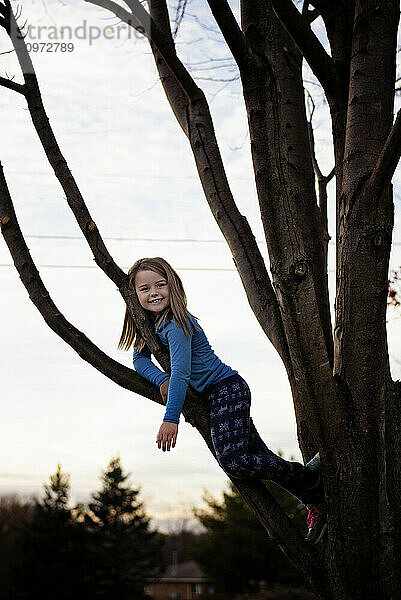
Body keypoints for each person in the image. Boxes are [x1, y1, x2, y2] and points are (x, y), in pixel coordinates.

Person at [118, 257, 326, 543]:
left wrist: (170, 419)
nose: (153, 292)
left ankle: (309, 477)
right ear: (134, 295)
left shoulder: (176, 325)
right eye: (144, 288)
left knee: (235, 462)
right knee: (259, 460)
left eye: (160, 285)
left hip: (227, 390)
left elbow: (181, 374)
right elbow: (139, 359)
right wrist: (160, 379)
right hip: (217, 397)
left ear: (173, 287)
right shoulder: (152, 326)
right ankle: (315, 500)